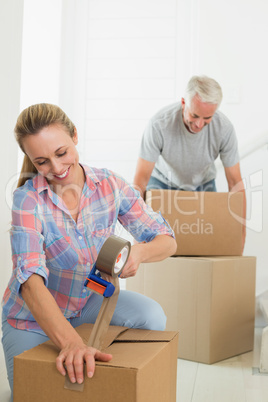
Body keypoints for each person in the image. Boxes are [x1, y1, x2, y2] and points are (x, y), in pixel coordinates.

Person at [1, 103, 177, 400]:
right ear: (30, 159)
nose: (56, 169)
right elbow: (30, 282)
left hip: (86, 304)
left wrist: (139, 253)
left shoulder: (110, 185)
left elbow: (167, 240)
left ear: (75, 136)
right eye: (41, 161)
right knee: (32, 391)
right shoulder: (27, 199)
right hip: (31, 319)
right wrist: (72, 344)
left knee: (151, 316)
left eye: (61, 153)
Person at [133, 75, 246, 249]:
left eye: (207, 118)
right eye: (195, 115)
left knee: (205, 244)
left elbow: (235, 182)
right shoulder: (159, 124)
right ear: (184, 103)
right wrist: (137, 228)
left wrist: (241, 231)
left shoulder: (224, 128)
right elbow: (140, 181)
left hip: (203, 184)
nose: (199, 124)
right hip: (162, 182)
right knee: (156, 243)